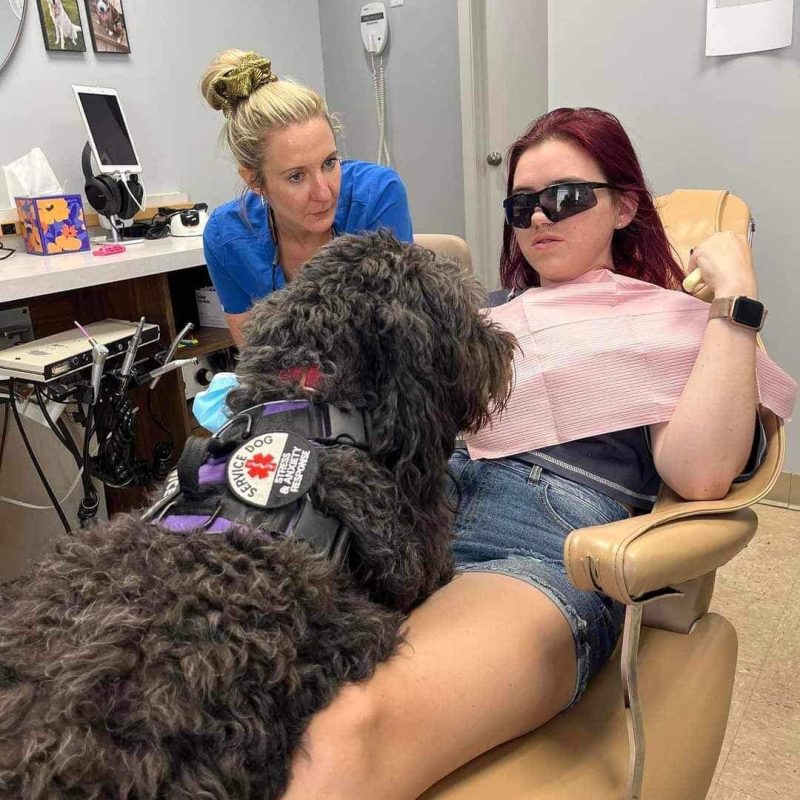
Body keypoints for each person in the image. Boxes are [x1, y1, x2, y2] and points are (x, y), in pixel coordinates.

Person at [278, 107, 795, 800]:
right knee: (238, 693)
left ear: (625, 207)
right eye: (523, 205)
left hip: (542, 539)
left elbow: (700, 473)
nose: (541, 218)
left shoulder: (669, 320)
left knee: (345, 731)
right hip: (404, 518)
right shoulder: (486, 315)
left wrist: (737, 299)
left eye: (568, 198)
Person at [200, 49, 413, 348]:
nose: (325, 193)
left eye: (329, 163)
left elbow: (396, 342)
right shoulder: (228, 238)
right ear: (254, 181)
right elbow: (259, 361)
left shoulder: (377, 197)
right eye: (296, 176)